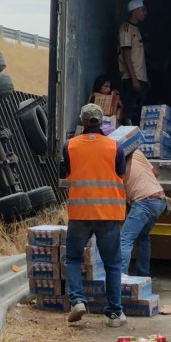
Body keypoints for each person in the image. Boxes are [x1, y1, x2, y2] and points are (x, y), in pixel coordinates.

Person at [63, 103, 127, 327]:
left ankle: (78, 300)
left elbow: (68, 173)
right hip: (108, 214)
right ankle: (114, 313)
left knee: (72, 258)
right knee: (112, 264)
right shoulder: (115, 147)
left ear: (82, 121)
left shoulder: (69, 146)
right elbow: (120, 174)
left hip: (80, 213)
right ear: (101, 123)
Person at [120, 150, 168, 277]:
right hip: (160, 200)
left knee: (125, 239)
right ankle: (143, 275)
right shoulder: (136, 152)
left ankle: (120, 277)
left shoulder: (113, 156)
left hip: (144, 202)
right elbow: (155, 173)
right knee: (143, 237)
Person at [117, 0, 150, 125]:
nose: (145, 13)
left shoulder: (136, 29)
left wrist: (145, 79)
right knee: (130, 113)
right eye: (143, 10)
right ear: (135, 10)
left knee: (140, 114)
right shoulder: (126, 29)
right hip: (131, 79)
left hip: (140, 78)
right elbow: (126, 55)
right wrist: (134, 79)